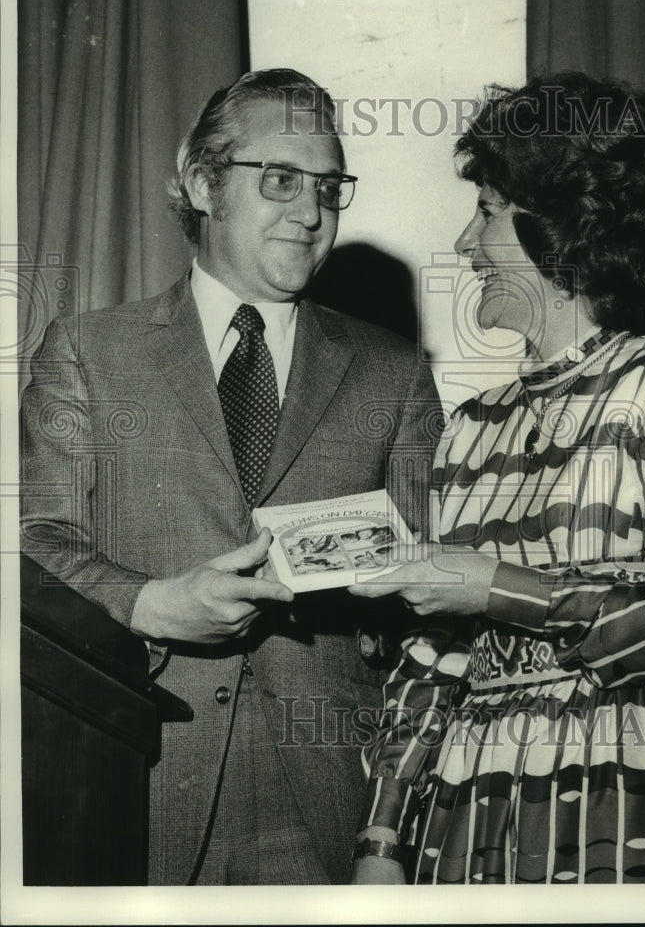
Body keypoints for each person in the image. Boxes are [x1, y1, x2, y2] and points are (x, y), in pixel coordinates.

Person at [20, 68, 441, 885]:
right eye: (279, 179)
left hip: (333, 806)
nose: (311, 211)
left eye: (327, 186)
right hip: (134, 774)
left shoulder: (392, 372)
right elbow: (35, 538)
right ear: (201, 182)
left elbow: (424, 600)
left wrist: (388, 831)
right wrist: (148, 604)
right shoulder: (88, 351)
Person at [349, 72, 645, 885]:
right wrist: (380, 840)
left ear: (560, 224)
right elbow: (433, 663)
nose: (465, 244)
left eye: (488, 211)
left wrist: (496, 587)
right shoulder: (471, 426)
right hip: (465, 804)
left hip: (618, 781)